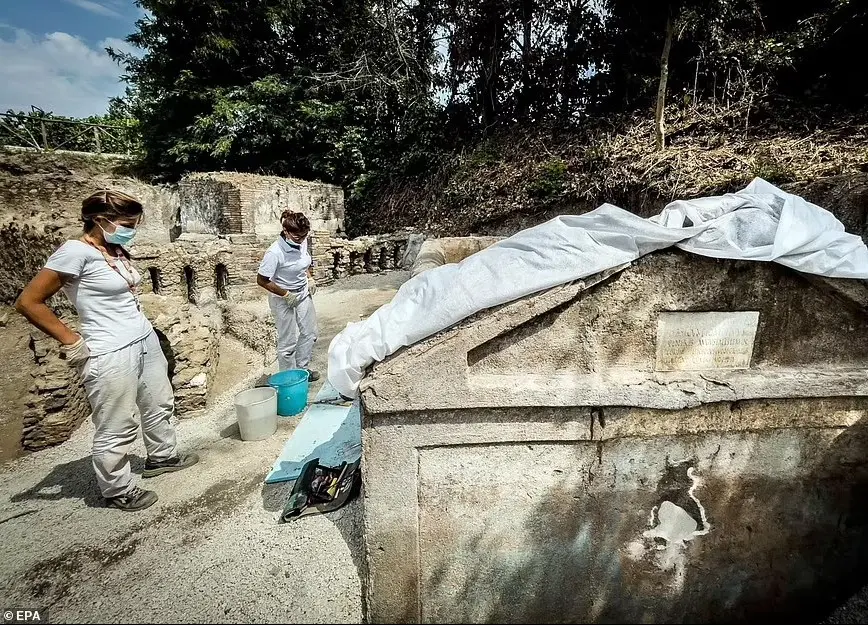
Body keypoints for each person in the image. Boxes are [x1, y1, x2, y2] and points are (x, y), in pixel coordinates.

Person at [15, 190, 199, 512]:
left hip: (143, 338)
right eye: (127, 223)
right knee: (117, 422)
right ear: (100, 220)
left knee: (159, 401)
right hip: (110, 350)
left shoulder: (114, 248)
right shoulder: (74, 252)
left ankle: (162, 456)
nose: (132, 229)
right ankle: (117, 489)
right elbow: (28, 302)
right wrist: (72, 340)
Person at [256, 211, 320, 381]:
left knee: (310, 333)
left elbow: (304, 261)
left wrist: (310, 277)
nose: (301, 239)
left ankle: (302, 371)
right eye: (297, 237)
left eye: (304, 235)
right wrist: (286, 294)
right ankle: (289, 378)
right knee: (288, 342)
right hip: (282, 297)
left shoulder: (303, 240)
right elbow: (262, 280)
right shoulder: (274, 253)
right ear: (286, 231)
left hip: (302, 292)